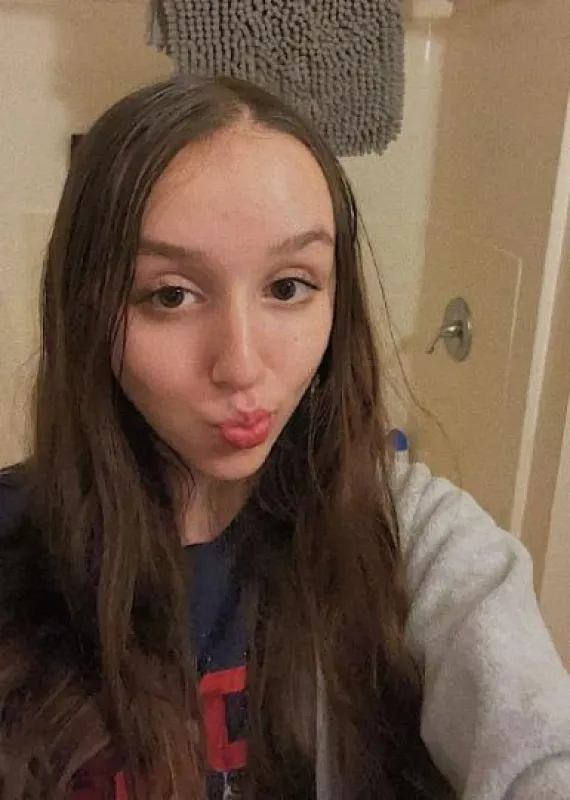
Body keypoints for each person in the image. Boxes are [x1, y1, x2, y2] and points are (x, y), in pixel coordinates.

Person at [0, 76, 569, 800]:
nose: (242, 365)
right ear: (88, 314)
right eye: (171, 295)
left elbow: (540, 749)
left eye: (289, 287)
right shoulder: (14, 543)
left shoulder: (411, 537)